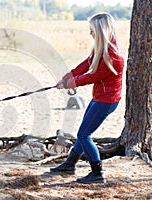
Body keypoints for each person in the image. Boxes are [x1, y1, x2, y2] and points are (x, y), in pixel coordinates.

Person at [50, 12, 124, 184]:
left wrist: (70, 83)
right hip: (100, 98)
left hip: (106, 101)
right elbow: (87, 64)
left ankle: (97, 173)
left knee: (84, 134)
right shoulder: (103, 48)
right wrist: (67, 76)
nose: (89, 33)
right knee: (84, 131)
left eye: (92, 30)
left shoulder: (113, 56)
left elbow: (92, 76)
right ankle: (69, 164)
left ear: (100, 30)